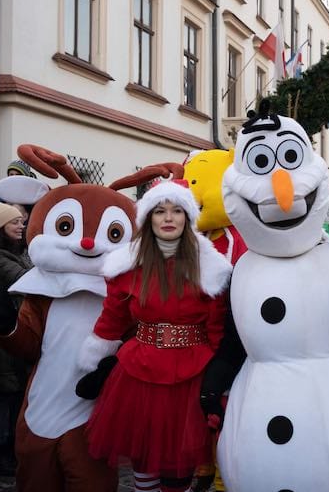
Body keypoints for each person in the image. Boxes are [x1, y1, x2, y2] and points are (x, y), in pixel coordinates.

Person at [77, 179, 232, 492]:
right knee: (144, 464)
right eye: (160, 211)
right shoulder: (127, 267)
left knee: (180, 469)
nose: (168, 218)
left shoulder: (210, 269)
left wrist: (222, 382)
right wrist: (94, 359)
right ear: (149, 219)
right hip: (138, 375)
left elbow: (217, 329)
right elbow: (112, 319)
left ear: (187, 218)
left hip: (191, 378)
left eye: (176, 211)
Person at [0, 200, 32, 476]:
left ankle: (10, 447)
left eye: (22, 221)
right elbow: (23, 279)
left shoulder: (16, 250)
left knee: (15, 392)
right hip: (1, 335)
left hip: (17, 329)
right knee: (4, 394)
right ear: (0, 225)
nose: (21, 225)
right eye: (15, 222)